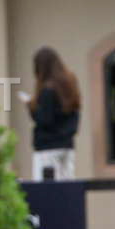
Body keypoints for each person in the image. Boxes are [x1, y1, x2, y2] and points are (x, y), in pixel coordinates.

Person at [22, 47, 80, 181]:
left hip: (48, 147)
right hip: (67, 145)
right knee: (67, 186)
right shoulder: (70, 85)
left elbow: (45, 120)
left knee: (47, 188)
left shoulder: (47, 90)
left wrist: (31, 107)